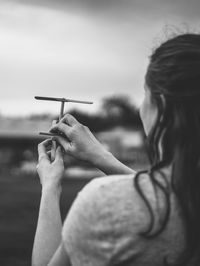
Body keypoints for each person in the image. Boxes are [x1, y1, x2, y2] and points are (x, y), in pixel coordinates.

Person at [32, 33, 200, 266]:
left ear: (160, 104)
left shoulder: (106, 202)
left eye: (145, 93)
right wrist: (100, 156)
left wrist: (51, 186)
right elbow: (175, 195)